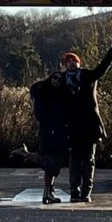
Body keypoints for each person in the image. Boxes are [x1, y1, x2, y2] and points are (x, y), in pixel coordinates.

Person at [63, 33, 112, 203]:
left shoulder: (87, 76)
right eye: (68, 61)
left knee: (89, 161)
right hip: (72, 128)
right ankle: (74, 191)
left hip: (89, 127)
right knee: (74, 162)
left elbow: (102, 68)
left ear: (79, 63)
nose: (72, 63)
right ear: (65, 65)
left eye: (74, 60)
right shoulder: (61, 81)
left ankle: (86, 193)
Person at [24, 70, 70, 204]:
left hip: (58, 131)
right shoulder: (44, 93)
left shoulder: (61, 93)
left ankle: (48, 190)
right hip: (50, 132)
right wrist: (50, 126)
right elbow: (40, 114)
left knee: (53, 161)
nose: (57, 81)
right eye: (55, 78)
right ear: (51, 79)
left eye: (60, 80)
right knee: (51, 161)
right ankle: (47, 192)